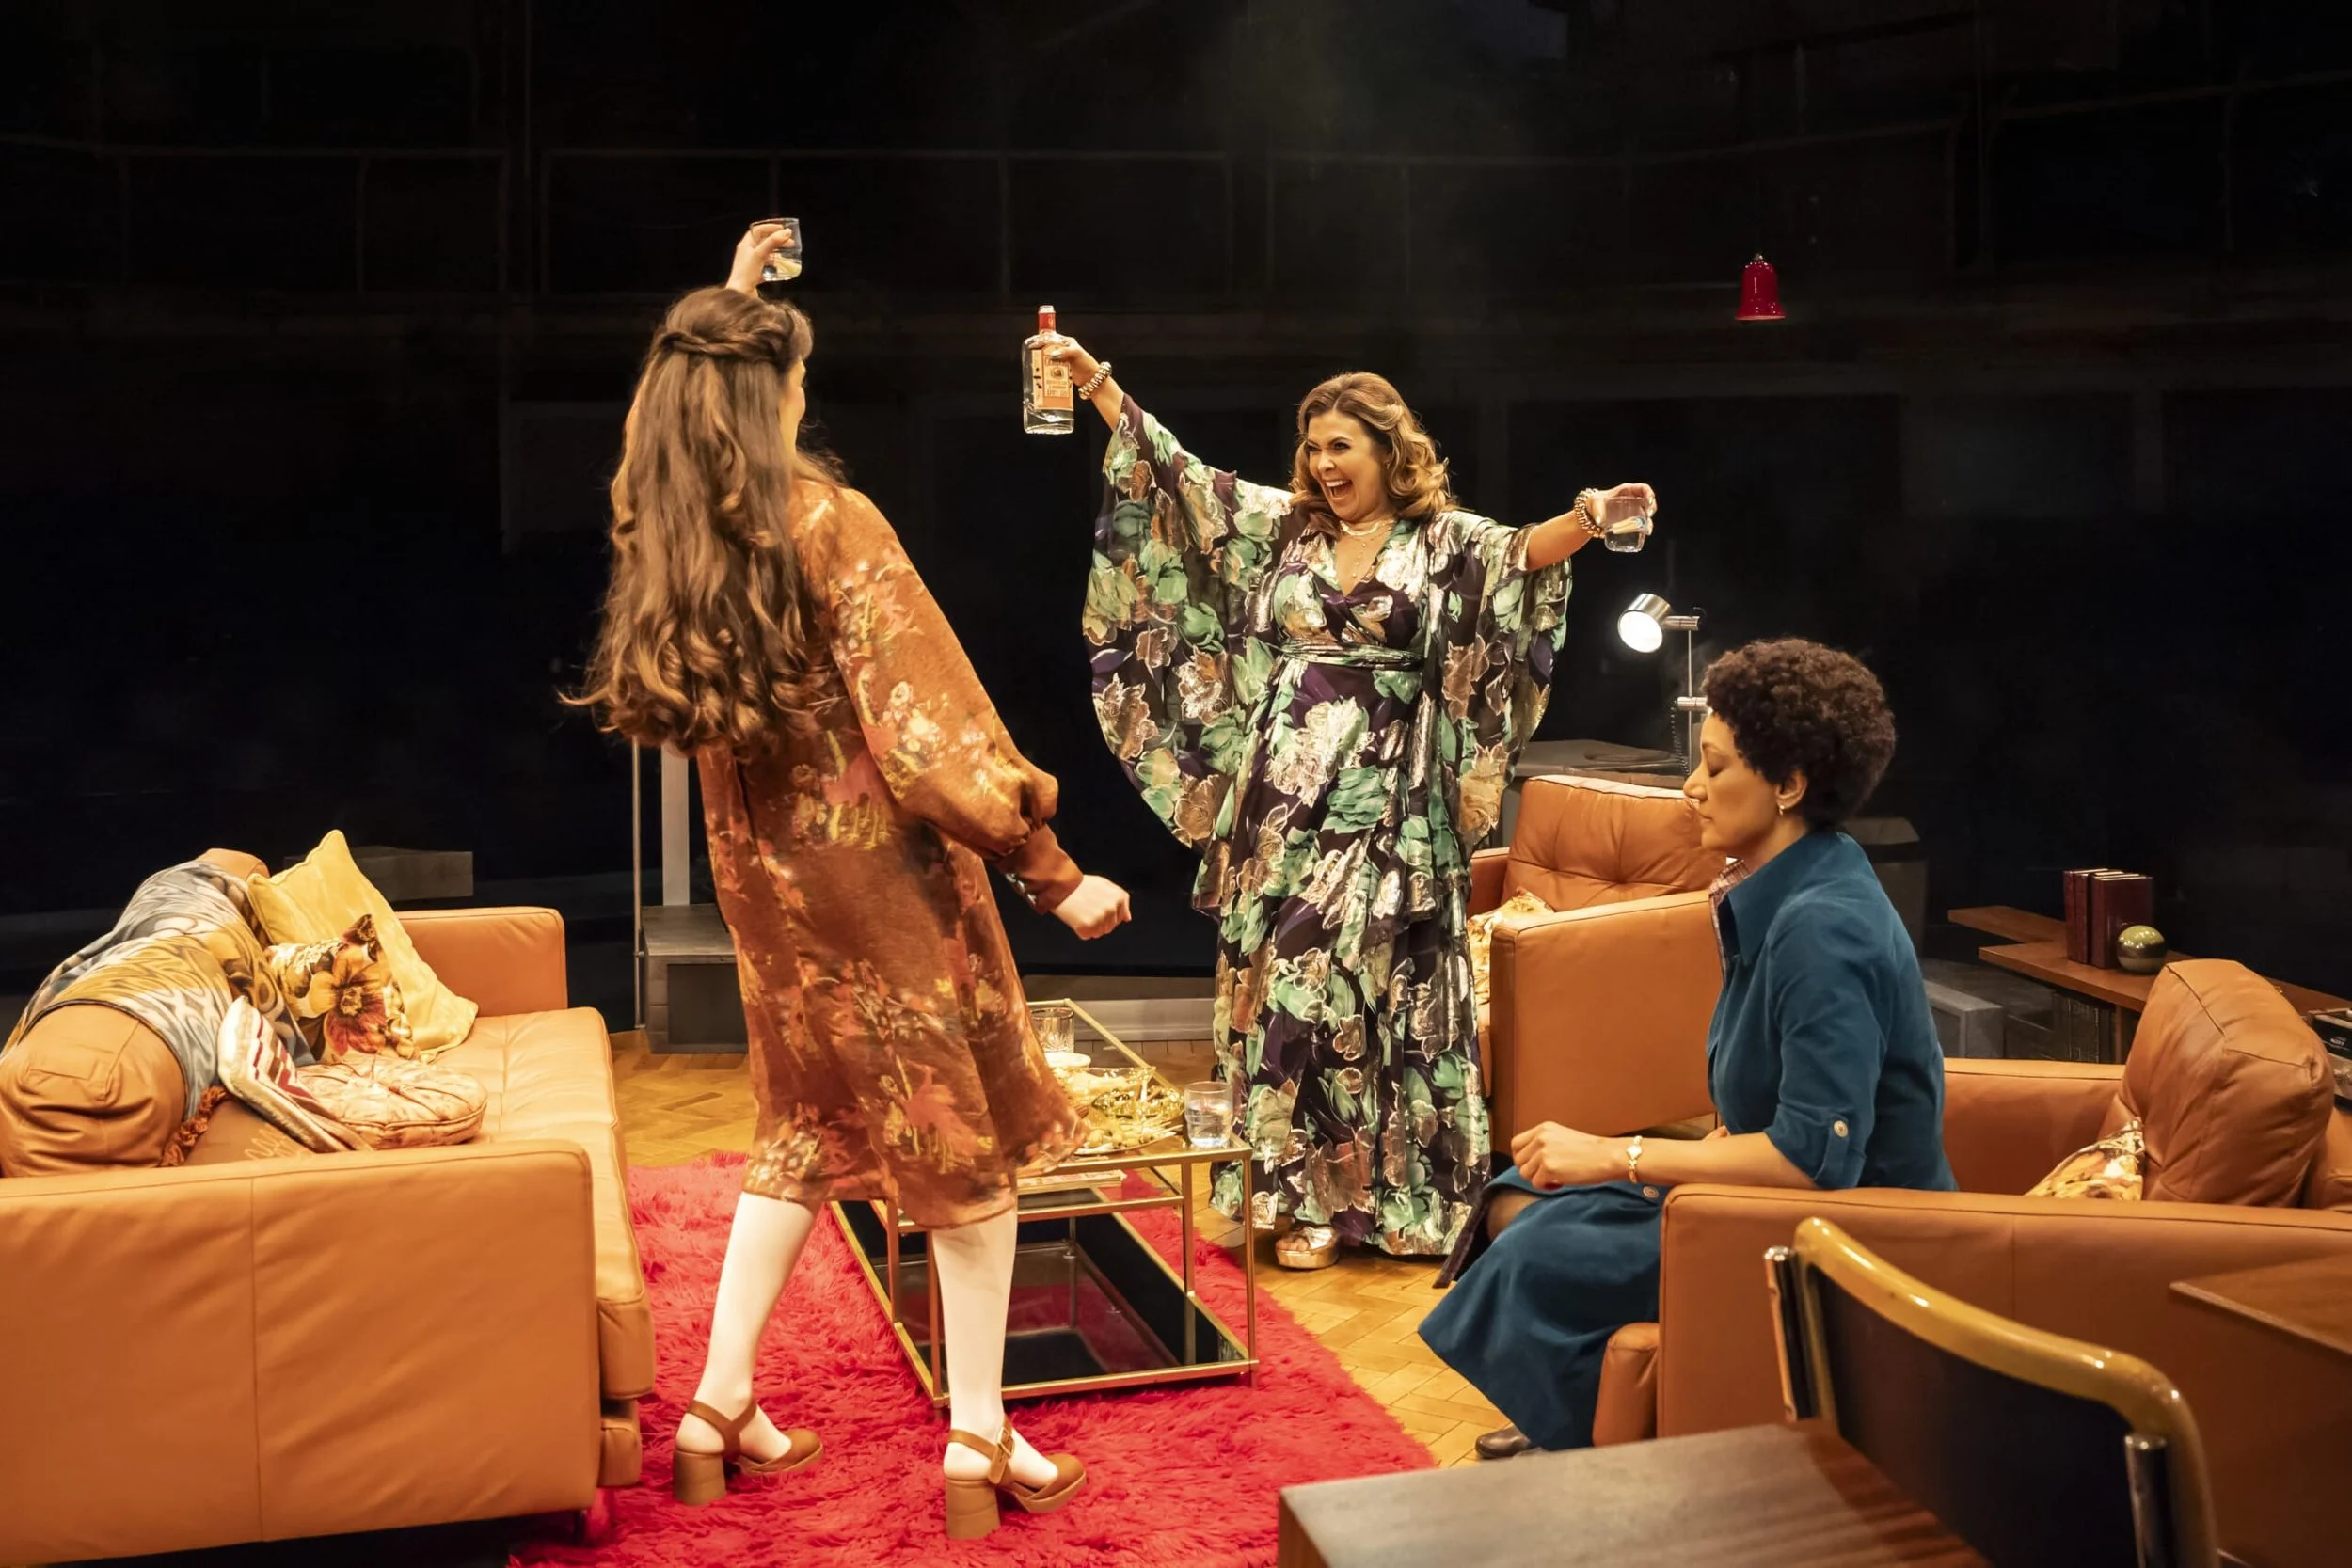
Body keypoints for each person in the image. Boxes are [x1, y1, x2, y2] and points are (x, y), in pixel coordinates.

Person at [573, 223, 1129, 1537]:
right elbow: (928, 736)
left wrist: (739, 290)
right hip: (879, 887)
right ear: (773, 397)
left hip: (769, 891)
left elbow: (690, 379)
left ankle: (718, 1407)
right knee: (964, 1151)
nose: (809, 392)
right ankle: (982, 1438)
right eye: (797, 374)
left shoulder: (671, 527)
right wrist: (1052, 869)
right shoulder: (831, 521)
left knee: (801, 1125)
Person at [1051, 331, 1659, 1268]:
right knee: (1280, 980)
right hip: (1277, 802)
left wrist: (1590, 513)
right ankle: (1300, 1196)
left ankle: (1375, 1197)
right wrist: (1094, 380)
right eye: (1313, 446)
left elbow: (1521, 559)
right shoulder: (1283, 529)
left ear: (1388, 451)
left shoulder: (1440, 540)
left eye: (1341, 444)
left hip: (1389, 801)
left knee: (1364, 990)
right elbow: (1178, 476)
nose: (1323, 463)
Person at [1418, 637, 1957, 1457]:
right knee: (1511, 1194)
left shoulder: (1824, 927)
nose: (1692, 789)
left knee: (1538, 1248)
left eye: (1715, 767)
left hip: (1841, 1235)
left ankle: (1604, 1445)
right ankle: (1589, 1413)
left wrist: (1618, 1154)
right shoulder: (1793, 880)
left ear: (1789, 785)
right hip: (1773, 1197)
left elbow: (1816, 1158)